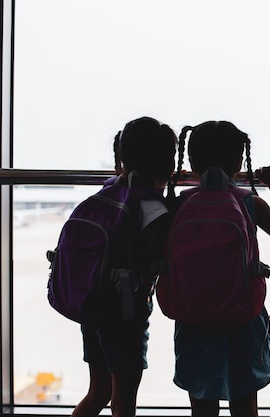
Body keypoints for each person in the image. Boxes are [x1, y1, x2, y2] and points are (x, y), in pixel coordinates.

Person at [171, 120, 270, 417]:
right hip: (242, 315)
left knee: (202, 404)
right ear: (240, 162)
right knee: (244, 404)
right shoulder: (248, 202)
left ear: (191, 162)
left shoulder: (182, 202)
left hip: (193, 315)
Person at [72, 116, 177, 417]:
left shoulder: (108, 191)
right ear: (166, 164)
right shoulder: (152, 205)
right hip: (125, 314)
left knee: (99, 391)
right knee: (123, 401)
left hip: (92, 305)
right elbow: (154, 258)